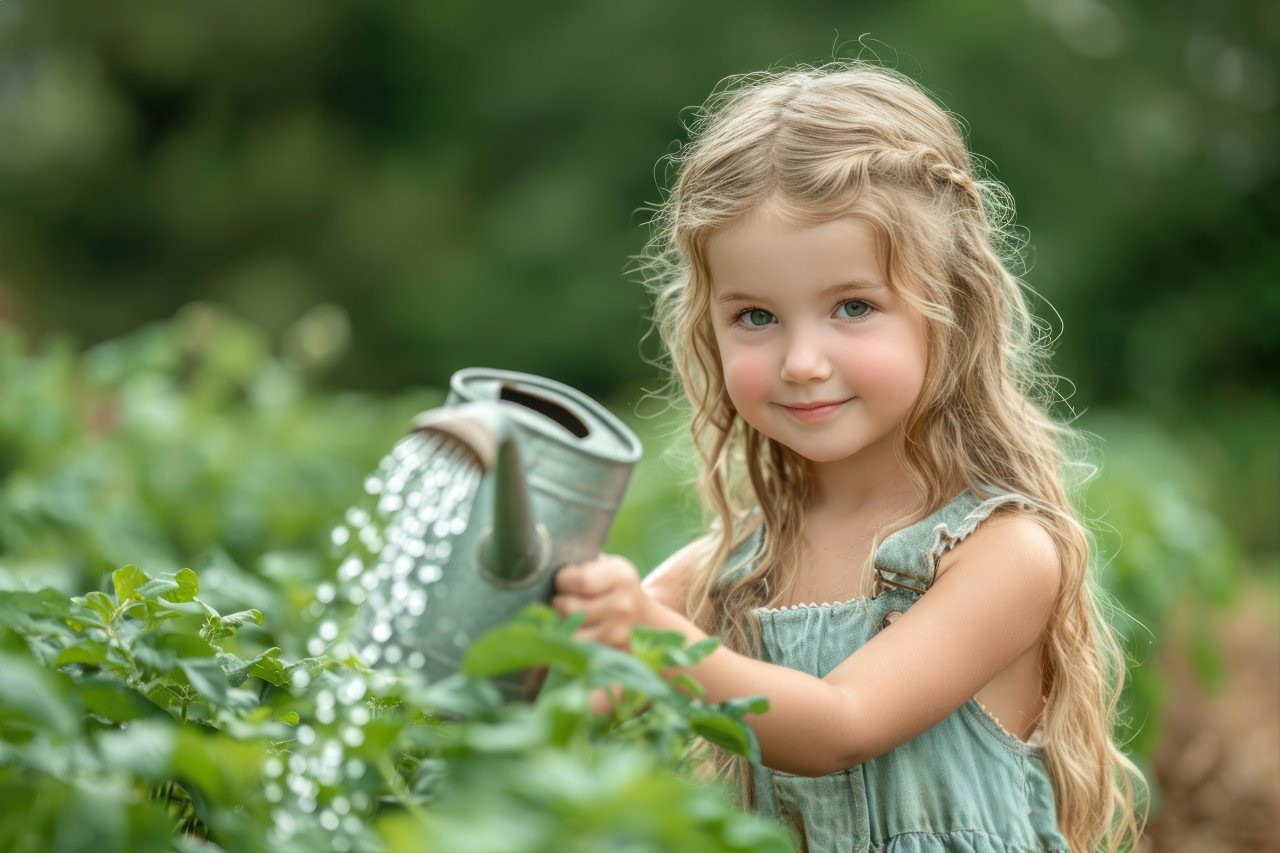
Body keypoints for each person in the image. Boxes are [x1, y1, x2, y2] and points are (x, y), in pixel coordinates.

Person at [551, 62, 1145, 852]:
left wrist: (646, 637)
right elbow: (569, 699)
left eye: (853, 307)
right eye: (756, 315)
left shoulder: (1002, 554)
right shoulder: (728, 568)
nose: (801, 360)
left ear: (950, 311)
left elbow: (841, 724)